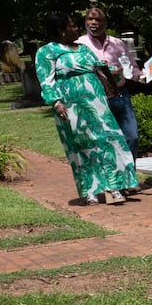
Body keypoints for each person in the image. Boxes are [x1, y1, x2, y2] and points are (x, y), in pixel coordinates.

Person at [35, 11, 138, 205]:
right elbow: (46, 80)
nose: (76, 28)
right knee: (83, 146)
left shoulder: (83, 49)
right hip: (71, 107)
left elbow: (100, 70)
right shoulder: (46, 52)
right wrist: (56, 102)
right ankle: (91, 190)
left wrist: (115, 73)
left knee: (109, 141)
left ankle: (114, 187)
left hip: (98, 104)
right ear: (61, 30)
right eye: (72, 25)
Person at [78, 6, 140, 164]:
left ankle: (129, 175)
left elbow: (132, 67)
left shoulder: (117, 43)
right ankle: (115, 180)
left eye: (97, 20)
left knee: (131, 136)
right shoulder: (79, 45)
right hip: (97, 97)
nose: (93, 23)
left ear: (105, 23)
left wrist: (142, 76)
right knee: (106, 140)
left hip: (120, 95)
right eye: (90, 19)